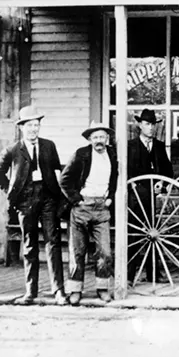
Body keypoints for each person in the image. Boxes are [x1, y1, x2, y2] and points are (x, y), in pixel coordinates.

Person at [0, 106, 67, 306]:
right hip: (25, 201)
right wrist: (11, 192)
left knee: (53, 242)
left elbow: (57, 170)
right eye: (30, 125)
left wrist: (58, 194)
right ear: (22, 128)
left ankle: (58, 290)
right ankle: (30, 291)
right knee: (30, 245)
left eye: (37, 125)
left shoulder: (49, 146)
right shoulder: (13, 150)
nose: (34, 129)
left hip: (48, 198)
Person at [59, 121, 118, 306]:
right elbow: (64, 180)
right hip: (81, 208)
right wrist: (77, 200)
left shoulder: (112, 154)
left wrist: (110, 198)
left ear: (107, 139)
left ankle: (102, 289)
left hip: (102, 208)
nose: (99, 141)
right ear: (90, 139)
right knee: (77, 252)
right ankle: (75, 290)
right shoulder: (81, 154)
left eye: (102, 137)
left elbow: (116, 177)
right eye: (95, 137)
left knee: (105, 252)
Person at [127, 109, 173, 283]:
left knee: (154, 235)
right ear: (140, 125)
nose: (151, 128)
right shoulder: (130, 146)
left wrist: (163, 184)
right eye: (147, 124)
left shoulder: (159, 146)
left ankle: (153, 274)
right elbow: (124, 172)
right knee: (133, 234)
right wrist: (133, 186)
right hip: (135, 197)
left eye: (153, 124)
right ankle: (129, 275)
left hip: (153, 197)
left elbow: (168, 171)